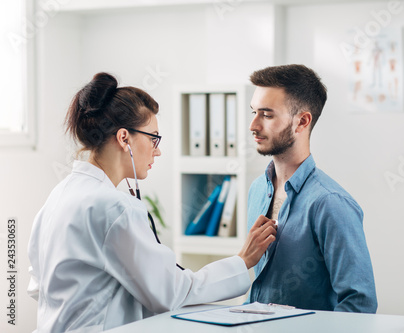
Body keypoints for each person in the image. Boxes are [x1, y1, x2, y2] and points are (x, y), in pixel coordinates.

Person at [27, 72, 277, 333]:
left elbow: (37, 286)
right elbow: (173, 292)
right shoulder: (114, 207)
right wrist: (243, 260)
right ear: (124, 138)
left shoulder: (59, 195)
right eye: (152, 137)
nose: (157, 150)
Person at [246, 64, 377, 312]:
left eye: (267, 114)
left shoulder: (331, 203)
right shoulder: (257, 190)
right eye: (253, 112)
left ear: (302, 121)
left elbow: (359, 305)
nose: (253, 125)